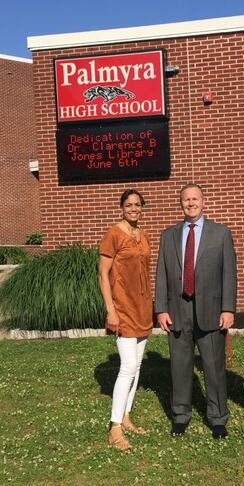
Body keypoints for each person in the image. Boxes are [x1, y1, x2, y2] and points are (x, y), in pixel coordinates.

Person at [155, 184, 237, 439]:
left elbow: (229, 273)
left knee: (213, 367)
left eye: (195, 199)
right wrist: (161, 309)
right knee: (179, 367)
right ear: (180, 204)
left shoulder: (221, 233)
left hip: (212, 311)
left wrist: (228, 308)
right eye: (186, 200)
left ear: (204, 202)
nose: (190, 203)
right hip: (178, 310)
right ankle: (180, 416)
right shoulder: (168, 235)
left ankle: (217, 418)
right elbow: (161, 275)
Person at [98, 189, 153, 452]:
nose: (133, 208)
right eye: (129, 204)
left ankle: (127, 416)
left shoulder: (144, 236)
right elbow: (102, 274)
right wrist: (111, 310)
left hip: (142, 307)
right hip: (122, 308)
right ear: (121, 207)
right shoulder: (114, 234)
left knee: (138, 365)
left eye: (137, 205)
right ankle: (114, 428)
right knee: (128, 366)